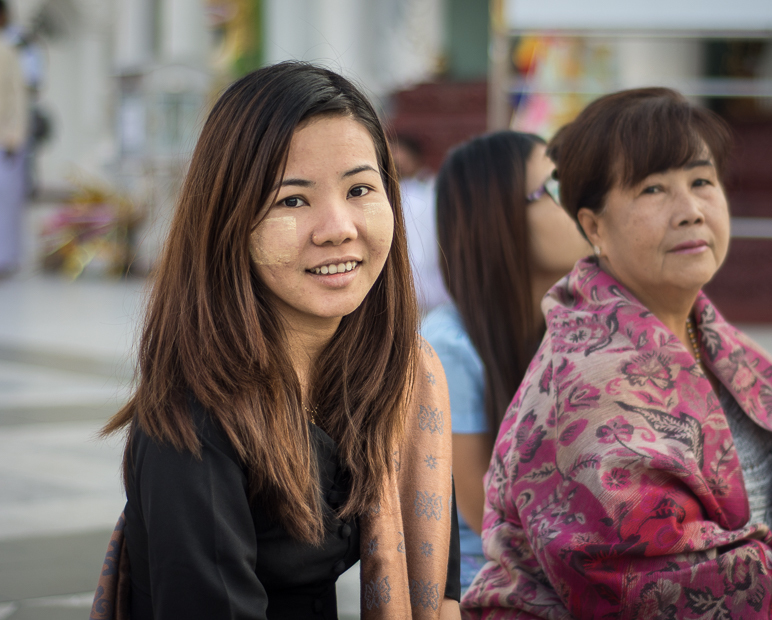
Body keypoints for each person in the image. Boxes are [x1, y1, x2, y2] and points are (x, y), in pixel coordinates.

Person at [461, 89, 772, 620]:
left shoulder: (715, 339)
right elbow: (647, 578)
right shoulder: (589, 380)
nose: (689, 211)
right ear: (594, 227)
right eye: (653, 189)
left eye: (702, 182)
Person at [90, 62, 461, 620]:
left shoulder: (401, 377)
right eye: (293, 200)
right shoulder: (196, 425)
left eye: (360, 188)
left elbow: (445, 597)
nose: (338, 227)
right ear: (230, 222)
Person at [421, 131, 590, 589]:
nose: (578, 201)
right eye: (553, 187)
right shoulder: (448, 347)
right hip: (489, 585)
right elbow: (486, 517)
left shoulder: (572, 323)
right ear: (500, 218)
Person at [391, 134, 450, 313]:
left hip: (434, 288)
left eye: (399, 156)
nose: (395, 161)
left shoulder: (435, 190)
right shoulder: (391, 192)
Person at [0, 0, 28, 277]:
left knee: (6, 203)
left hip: (3, 141)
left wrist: (13, 138)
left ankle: (5, 261)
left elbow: (16, 100)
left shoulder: (8, 50)